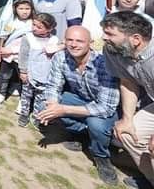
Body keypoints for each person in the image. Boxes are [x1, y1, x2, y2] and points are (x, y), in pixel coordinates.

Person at [38, 26, 119, 186]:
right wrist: (53, 106)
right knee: (44, 106)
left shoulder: (104, 64)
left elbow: (106, 108)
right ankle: (83, 135)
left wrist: (63, 110)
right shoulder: (60, 57)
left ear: (91, 43)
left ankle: (102, 157)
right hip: (81, 100)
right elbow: (53, 86)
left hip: (110, 108)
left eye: (79, 41)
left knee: (96, 123)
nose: (74, 45)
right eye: (69, 40)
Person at [102, 11, 154, 189]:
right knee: (127, 133)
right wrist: (127, 119)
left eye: (110, 34)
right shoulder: (114, 49)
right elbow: (128, 81)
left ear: (136, 39)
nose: (103, 37)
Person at [17, 13, 61, 128]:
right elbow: (23, 55)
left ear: (50, 29)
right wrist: (23, 71)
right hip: (30, 73)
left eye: (39, 27)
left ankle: (37, 115)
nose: (34, 28)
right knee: (26, 95)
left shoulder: (54, 40)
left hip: (45, 75)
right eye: (34, 25)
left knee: (40, 97)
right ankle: (24, 114)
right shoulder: (28, 38)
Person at [0, 0, 35, 108]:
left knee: (22, 78)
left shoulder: (33, 24)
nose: (24, 12)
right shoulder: (11, 22)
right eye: (21, 8)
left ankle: (23, 99)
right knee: (4, 75)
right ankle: (1, 93)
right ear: (15, 9)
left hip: (23, 57)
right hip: (7, 55)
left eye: (27, 8)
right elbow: (3, 36)